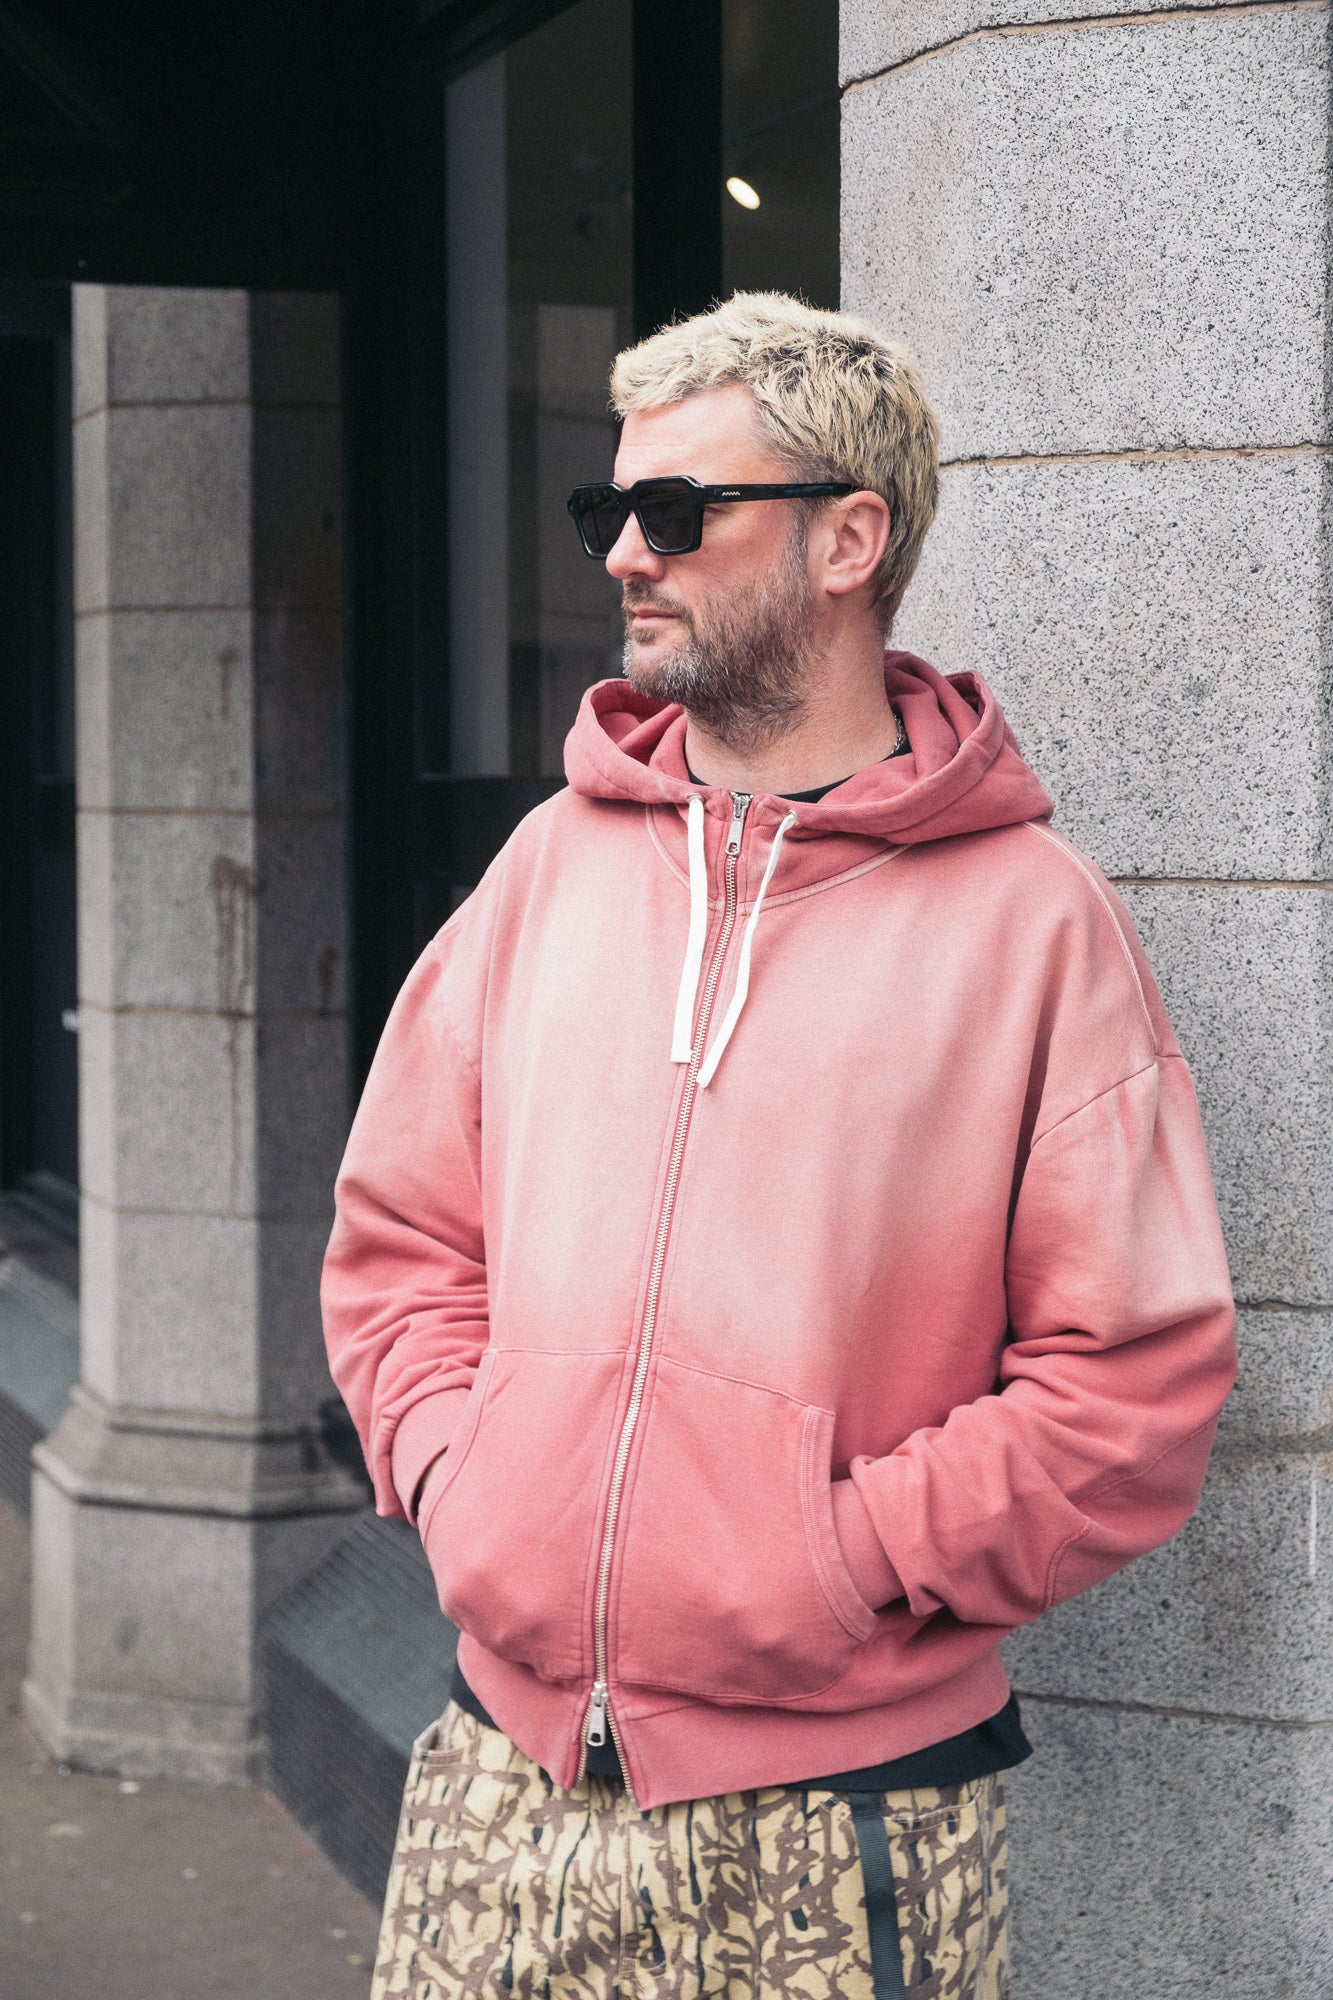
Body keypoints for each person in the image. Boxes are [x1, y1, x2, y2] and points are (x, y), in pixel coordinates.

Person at [322, 292, 1236, 2000]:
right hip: (493, 1785)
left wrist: (835, 1561)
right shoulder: (544, 870)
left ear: (848, 540)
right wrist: (462, 1484)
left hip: (843, 1817)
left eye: (676, 510)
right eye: (609, 510)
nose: (624, 555)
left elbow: (1129, 1385)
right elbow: (403, 1248)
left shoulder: (1031, 927)